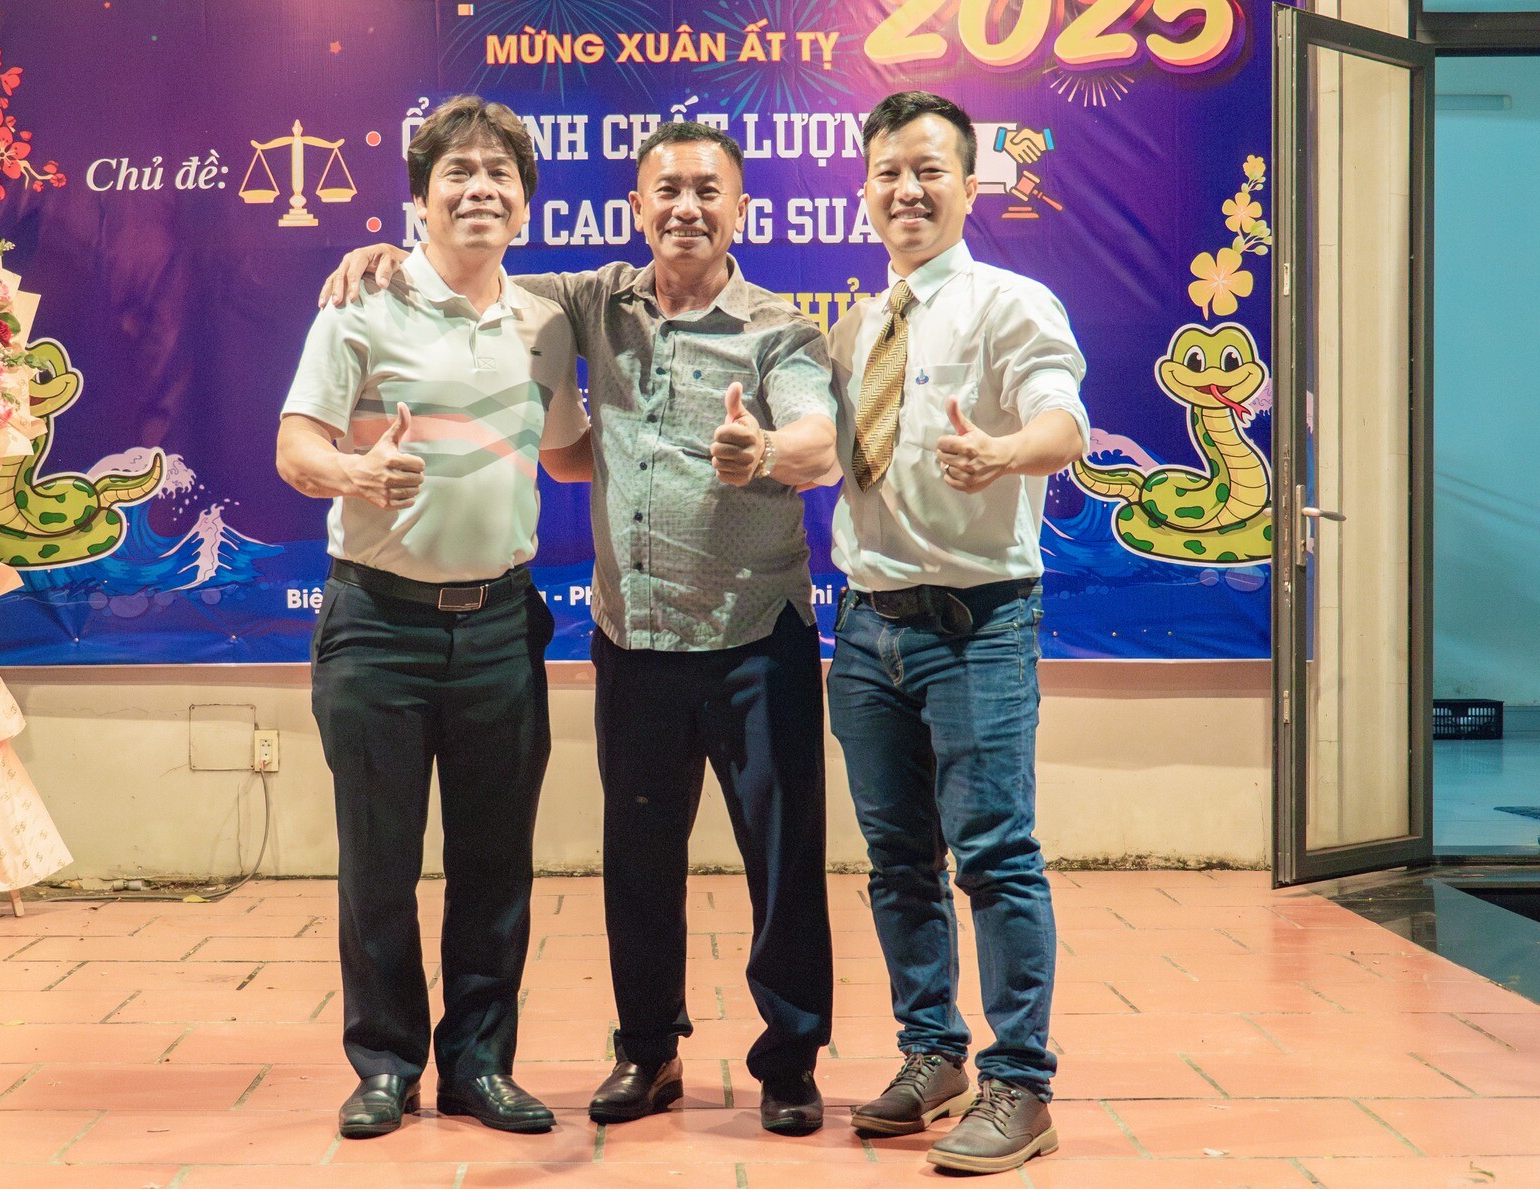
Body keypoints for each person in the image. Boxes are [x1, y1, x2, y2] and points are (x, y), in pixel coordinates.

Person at [317, 121, 840, 1136]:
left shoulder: (781, 328)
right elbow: (468, 263)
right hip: (634, 641)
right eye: (666, 191)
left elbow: (818, 440)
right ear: (635, 208)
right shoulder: (591, 300)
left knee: (782, 862)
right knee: (637, 863)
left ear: (741, 210)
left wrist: (768, 450)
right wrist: (384, 251)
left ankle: (789, 1060)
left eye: (708, 191)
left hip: (753, 637)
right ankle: (647, 1051)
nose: (686, 208)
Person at [276, 95, 592, 1140]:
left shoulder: (543, 324)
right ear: (419, 197)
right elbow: (295, 447)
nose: (479, 189)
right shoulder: (359, 305)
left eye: (500, 173)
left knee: (495, 864)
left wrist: (687, 457)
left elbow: (567, 454)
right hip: (377, 626)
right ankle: (384, 1063)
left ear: (524, 203)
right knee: (377, 862)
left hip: (501, 627)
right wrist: (353, 473)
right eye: (458, 171)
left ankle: (479, 1066)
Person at [826, 91, 1089, 1176]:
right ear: (865, 190)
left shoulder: (1009, 305)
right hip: (865, 630)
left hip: (977, 624)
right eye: (888, 171)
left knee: (994, 854)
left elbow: (1063, 419)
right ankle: (930, 1052)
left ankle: (1019, 1082)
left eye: (929, 170)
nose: (907, 190)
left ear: (969, 186)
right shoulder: (855, 327)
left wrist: (1008, 453)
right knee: (898, 861)